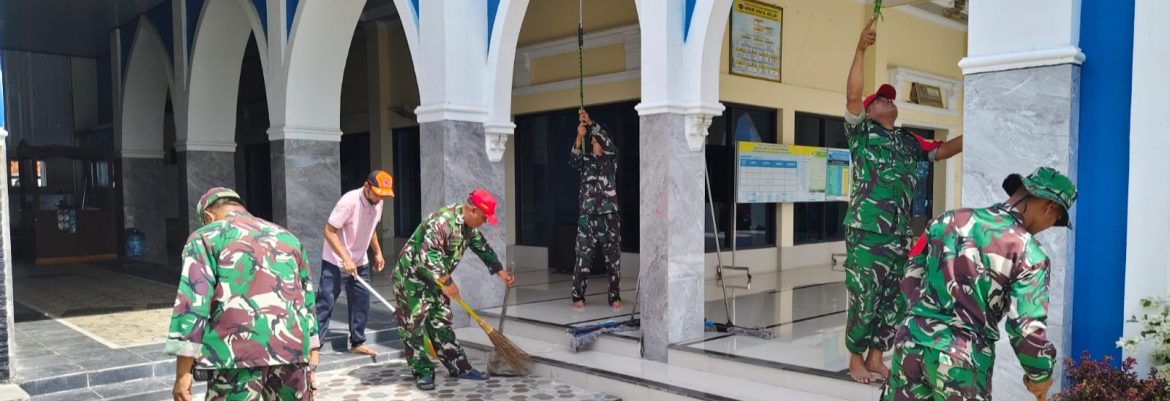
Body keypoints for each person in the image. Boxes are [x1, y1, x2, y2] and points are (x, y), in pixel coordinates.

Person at [885, 167, 1076, 401]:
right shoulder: (1029, 252)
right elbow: (1025, 329)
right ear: (1049, 208)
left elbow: (911, 269)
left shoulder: (947, 219)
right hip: (961, 359)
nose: (1047, 227)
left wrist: (923, 311)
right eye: (1054, 221)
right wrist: (1039, 375)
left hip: (910, 343)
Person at [843, 16, 964, 383]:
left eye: (891, 100)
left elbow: (943, 151)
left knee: (894, 300)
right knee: (865, 297)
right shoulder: (861, 133)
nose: (889, 102)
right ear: (868, 110)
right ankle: (855, 360)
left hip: (899, 234)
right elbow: (851, 94)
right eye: (881, 99)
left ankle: (877, 356)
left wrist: (980, 126)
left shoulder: (911, 142)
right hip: (866, 231)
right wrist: (861, 48)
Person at [166, 187, 319, 401]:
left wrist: (183, 374)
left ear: (208, 216)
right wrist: (312, 353)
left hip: (235, 356)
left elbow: (193, 304)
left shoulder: (205, 237)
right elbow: (306, 298)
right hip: (292, 350)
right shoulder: (288, 238)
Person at [393, 188, 516, 390]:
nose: (485, 222)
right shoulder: (443, 221)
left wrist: (499, 271)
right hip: (411, 279)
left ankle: (459, 367)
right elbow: (428, 254)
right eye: (484, 218)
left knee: (441, 322)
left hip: (435, 281)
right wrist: (448, 283)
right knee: (413, 327)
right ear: (473, 211)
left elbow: (481, 246)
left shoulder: (469, 226)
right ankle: (423, 371)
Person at [315, 170, 394, 357]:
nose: (380, 198)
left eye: (383, 195)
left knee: (361, 302)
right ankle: (314, 348)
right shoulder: (348, 202)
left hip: (360, 260)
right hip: (335, 261)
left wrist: (378, 252)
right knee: (326, 303)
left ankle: (357, 342)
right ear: (366, 186)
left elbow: (371, 226)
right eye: (377, 193)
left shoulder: (378, 203)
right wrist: (345, 258)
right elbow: (328, 231)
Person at [569, 108, 623, 311]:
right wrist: (579, 136)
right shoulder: (586, 161)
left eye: (596, 141)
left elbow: (609, 144)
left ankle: (614, 296)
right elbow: (573, 160)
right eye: (592, 142)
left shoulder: (612, 159)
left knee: (613, 260)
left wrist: (590, 123)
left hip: (609, 217)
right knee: (583, 257)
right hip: (588, 218)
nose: (594, 144)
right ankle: (577, 295)